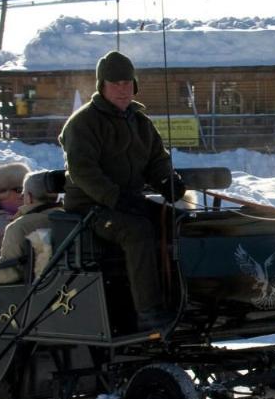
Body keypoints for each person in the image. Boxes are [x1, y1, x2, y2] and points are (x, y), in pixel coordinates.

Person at [59, 50, 185, 332]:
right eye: (115, 83)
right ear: (101, 86)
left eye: (127, 83)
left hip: (128, 202)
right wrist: (115, 198)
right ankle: (148, 312)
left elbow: (157, 161)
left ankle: (183, 298)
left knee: (177, 222)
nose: (122, 89)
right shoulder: (82, 123)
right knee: (137, 231)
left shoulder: (141, 123)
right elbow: (83, 172)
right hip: (90, 207)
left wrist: (168, 182)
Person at [0, 170, 62, 285]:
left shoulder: (20, 226)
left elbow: (8, 275)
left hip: (30, 294)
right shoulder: (69, 220)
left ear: (29, 197)